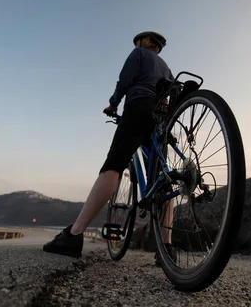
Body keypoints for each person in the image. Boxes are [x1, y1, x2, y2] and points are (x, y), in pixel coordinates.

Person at [43, 31, 174, 258]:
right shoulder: (165, 66)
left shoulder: (139, 54)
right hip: (160, 119)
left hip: (138, 108)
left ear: (142, 44)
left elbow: (125, 79)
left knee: (113, 166)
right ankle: (167, 248)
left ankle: (74, 235)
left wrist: (113, 105)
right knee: (163, 180)